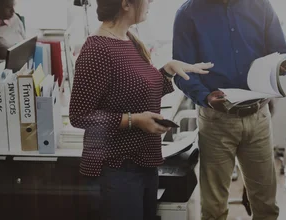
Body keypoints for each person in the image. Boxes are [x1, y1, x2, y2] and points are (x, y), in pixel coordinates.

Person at [68, 0, 213, 219]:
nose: (151, 2)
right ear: (126, 4)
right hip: (116, 169)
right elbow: (79, 115)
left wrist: (168, 70)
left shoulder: (129, 39)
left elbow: (138, 94)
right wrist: (134, 120)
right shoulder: (97, 50)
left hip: (144, 164)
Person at [172, 0, 286, 219]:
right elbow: (182, 72)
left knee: (266, 205)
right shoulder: (188, 14)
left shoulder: (261, 5)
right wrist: (205, 97)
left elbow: (282, 52)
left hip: (258, 117)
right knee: (214, 208)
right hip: (216, 118)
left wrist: (280, 67)